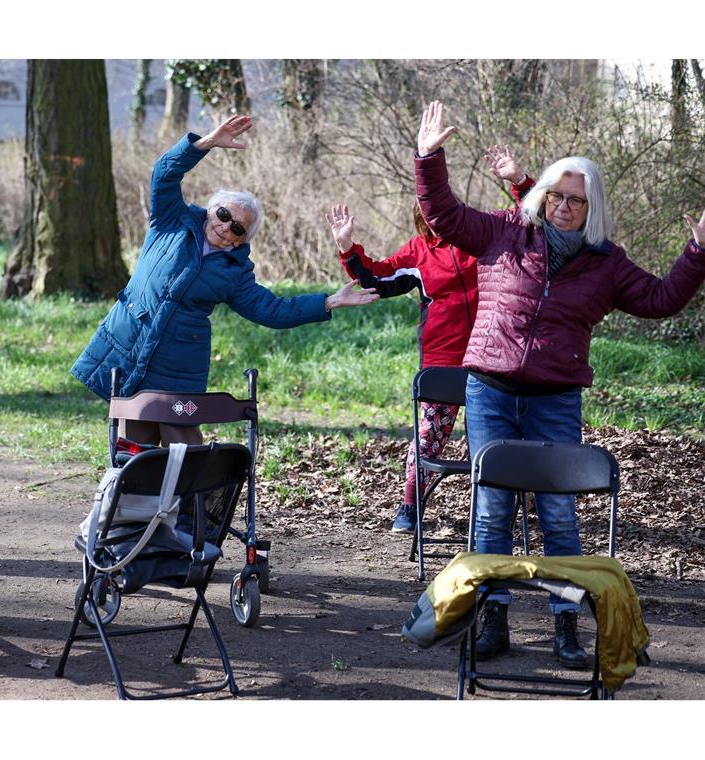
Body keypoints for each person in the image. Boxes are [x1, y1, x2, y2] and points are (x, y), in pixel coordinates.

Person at [414, 100, 705, 668]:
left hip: (555, 398)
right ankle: (491, 616)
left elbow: (661, 300)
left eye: (576, 199)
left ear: (590, 207)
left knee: (559, 514)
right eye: (557, 194)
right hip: (491, 389)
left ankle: (565, 624)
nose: (564, 206)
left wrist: (698, 252)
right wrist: (429, 158)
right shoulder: (505, 232)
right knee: (493, 507)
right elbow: (444, 216)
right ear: (541, 194)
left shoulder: (607, 263)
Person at [72, 114, 378, 445]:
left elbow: (271, 309)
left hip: (179, 365)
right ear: (211, 209)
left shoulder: (235, 272)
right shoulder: (171, 219)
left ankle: (191, 499)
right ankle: (131, 497)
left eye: (237, 227)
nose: (226, 226)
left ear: (240, 240)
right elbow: (164, 173)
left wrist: (328, 301)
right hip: (129, 342)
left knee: (183, 449)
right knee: (132, 445)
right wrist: (205, 144)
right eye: (223, 214)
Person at [328, 149, 533, 533]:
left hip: (493, 356)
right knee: (430, 435)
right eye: (427, 212)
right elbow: (376, 278)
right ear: (420, 216)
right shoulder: (418, 253)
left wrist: (519, 180)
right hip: (443, 361)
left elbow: (533, 222)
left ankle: (493, 514)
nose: (435, 218)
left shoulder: (483, 234)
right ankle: (410, 506)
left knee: (490, 440)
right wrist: (347, 247)